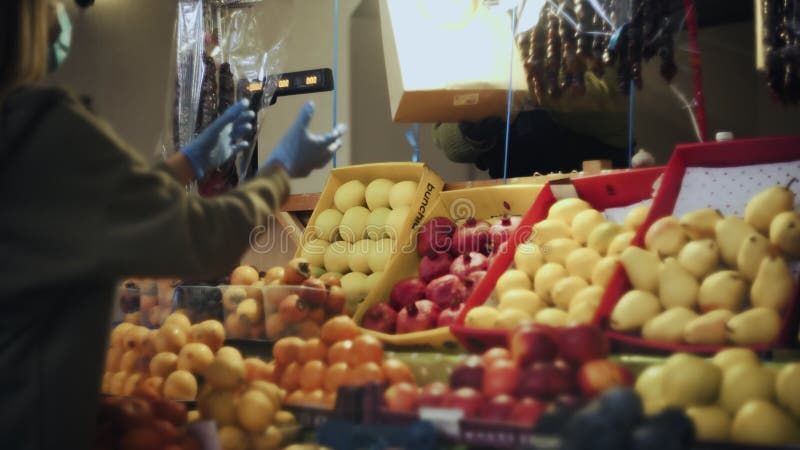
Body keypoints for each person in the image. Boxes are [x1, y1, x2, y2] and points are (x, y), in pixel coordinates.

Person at [0, 1, 346, 449]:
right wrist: (279, 171)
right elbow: (204, 243)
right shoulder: (40, 129)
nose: (58, 17)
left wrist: (187, 162)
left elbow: (86, 210)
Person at [433, 28, 629, 178]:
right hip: (514, 199)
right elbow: (450, 144)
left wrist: (526, 79)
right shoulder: (475, 26)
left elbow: (609, 102)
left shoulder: (586, 15)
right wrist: (471, 129)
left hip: (596, 187)